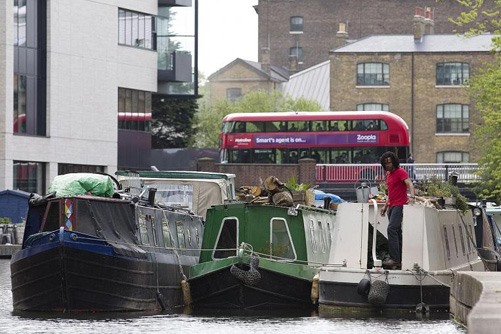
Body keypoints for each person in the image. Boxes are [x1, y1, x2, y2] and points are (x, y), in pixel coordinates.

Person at [379, 151, 415, 270]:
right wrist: (385, 206)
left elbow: (409, 183)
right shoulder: (388, 175)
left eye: (389, 162)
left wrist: (412, 197)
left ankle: (394, 258)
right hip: (391, 206)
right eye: (386, 163)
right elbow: (390, 192)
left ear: (394, 161)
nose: (388, 165)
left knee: (392, 229)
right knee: (397, 232)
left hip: (400, 205)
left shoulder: (401, 172)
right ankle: (401, 259)